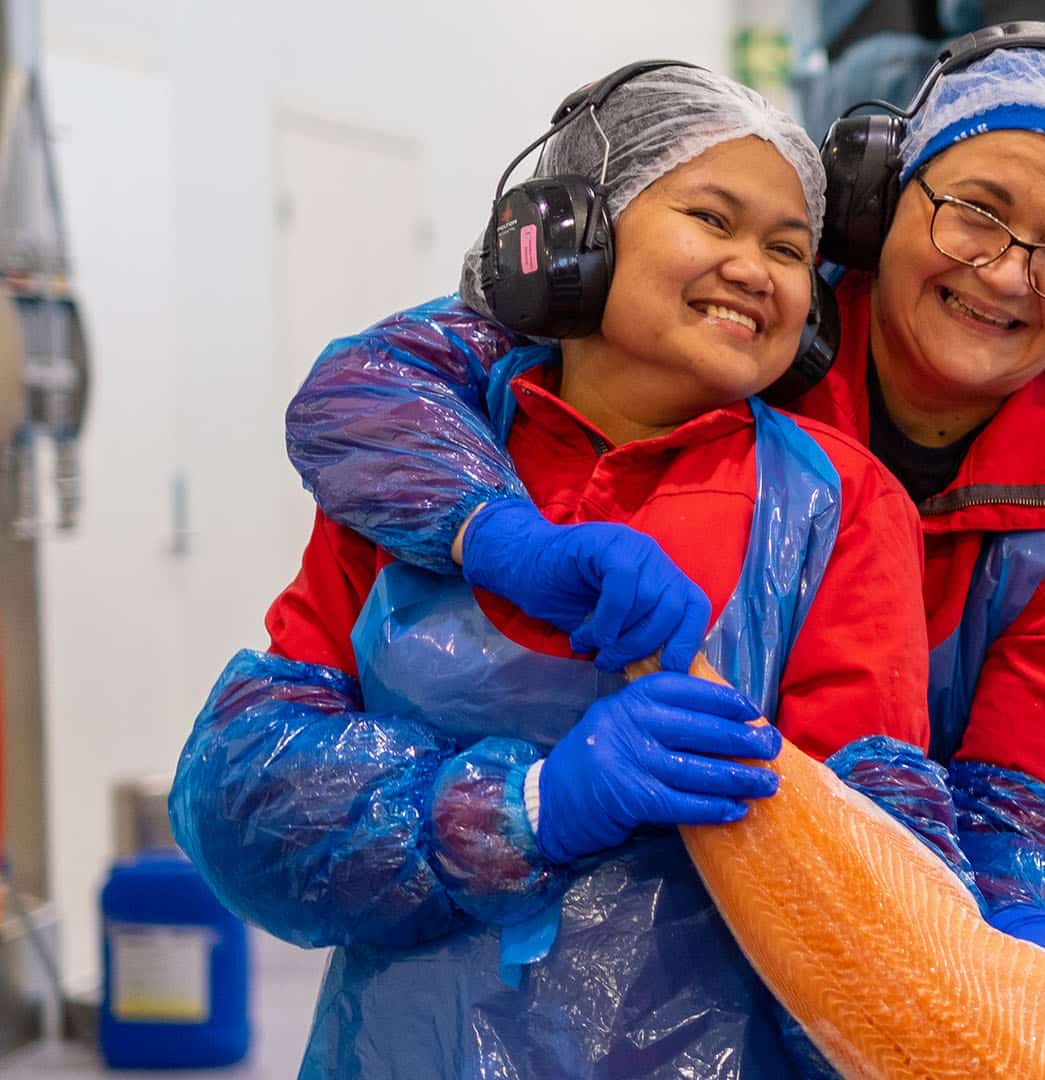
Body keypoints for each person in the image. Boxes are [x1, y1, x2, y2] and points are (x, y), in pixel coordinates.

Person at [281, 23, 1045, 1041]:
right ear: (880, 203)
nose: (1009, 275)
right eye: (977, 212)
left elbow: (1013, 803)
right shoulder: (720, 335)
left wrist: (1025, 932)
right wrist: (497, 536)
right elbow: (378, 384)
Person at [169, 63, 962, 1078]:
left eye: (789, 248)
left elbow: (879, 906)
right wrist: (530, 808)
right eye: (713, 219)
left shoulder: (835, 507)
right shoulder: (425, 474)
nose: (756, 269)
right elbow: (245, 802)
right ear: (578, 232)